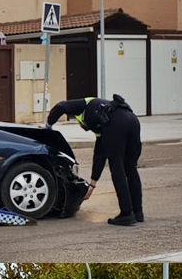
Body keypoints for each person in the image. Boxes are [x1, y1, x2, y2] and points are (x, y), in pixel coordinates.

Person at [45, 95, 142, 226]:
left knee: (117, 168)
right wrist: (93, 183)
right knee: (131, 168)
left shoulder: (82, 105)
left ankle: (126, 214)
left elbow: (61, 106)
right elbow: (99, 155)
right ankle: (138, 213)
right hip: (133, 120)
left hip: (117, 125)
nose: (81, 126)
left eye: (81, 124)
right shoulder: (100, 112)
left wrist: (48, 126)